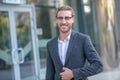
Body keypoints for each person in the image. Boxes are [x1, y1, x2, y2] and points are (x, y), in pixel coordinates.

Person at [46, 5, 103, 80]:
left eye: (67, 18)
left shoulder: (83, 40)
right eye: (60, 18)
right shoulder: (50, 44)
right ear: (56, 20)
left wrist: (74, 73)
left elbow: (98, 65)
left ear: (72, 19)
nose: (63, 22)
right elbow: (50, 73)